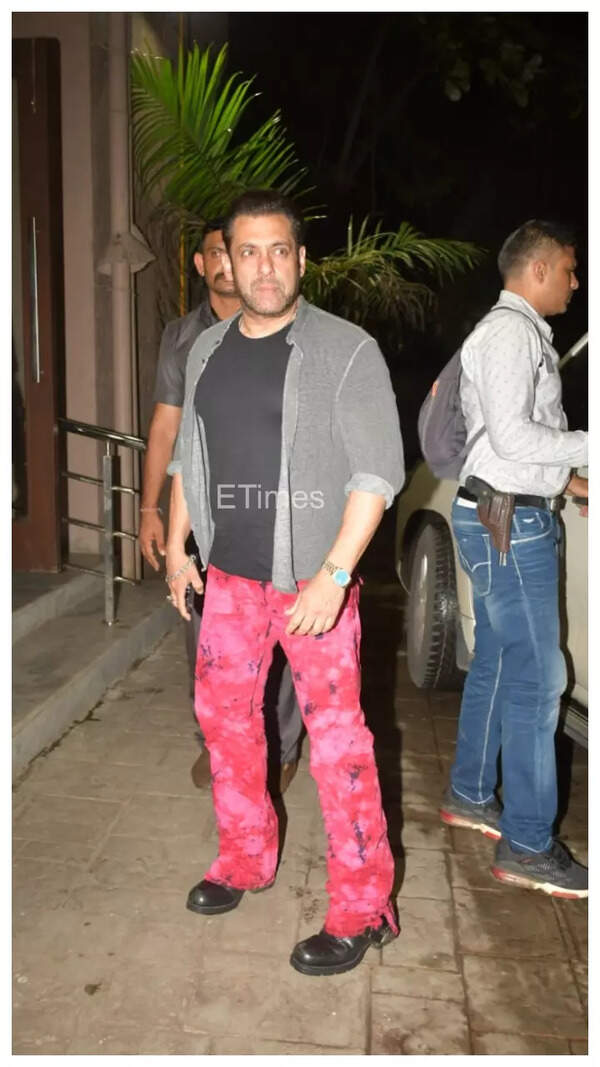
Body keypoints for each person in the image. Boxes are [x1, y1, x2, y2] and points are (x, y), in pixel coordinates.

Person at [165, 189, 405, 976]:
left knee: (338, 746)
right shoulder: (205, 351)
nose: (264, 266)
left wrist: (335, 576)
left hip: (313, 584)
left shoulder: (347, 350)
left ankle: (364, 907)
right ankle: (244, 857)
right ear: (221, 261)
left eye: (280, 250)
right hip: (229, 581)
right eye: (248, 251)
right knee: (227, 724)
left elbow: (377, 472)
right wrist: (176, 544)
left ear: (301, 260)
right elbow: (185, 459)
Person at [440, 220, 588, 899]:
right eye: (568, 267)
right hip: (507, 525)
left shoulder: (517, 334)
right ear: (537, 270)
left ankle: (472, 795)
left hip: (503, 513)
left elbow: (512, 447)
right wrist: (588, 448)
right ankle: (528, 844)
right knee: (539, 679)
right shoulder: (510, 334)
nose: (575, 280)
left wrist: (564, 480)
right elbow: (510, 433)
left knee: (502, 662)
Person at [139, 219, 303, 793]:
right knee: (203, 633)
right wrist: (151, 509)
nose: (231, 265)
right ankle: (215, 741)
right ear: (206, 263)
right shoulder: (184, 338)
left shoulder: (290, 325)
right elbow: (167, 425)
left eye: (243, 253)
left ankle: (279, 747)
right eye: (221, 253)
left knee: (281, 636)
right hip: (203, 512)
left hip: (274, 511)